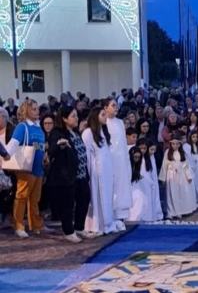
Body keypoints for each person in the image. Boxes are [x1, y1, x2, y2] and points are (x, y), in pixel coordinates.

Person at [47, 105, 91, 242]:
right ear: (65, 119)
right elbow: (52, 150)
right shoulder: (57, 132)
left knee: (84, 200)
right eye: (73, 116)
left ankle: (79, 227)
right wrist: (59, 145)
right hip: (67, 176)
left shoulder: (76, 132)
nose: (76, 118)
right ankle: (68, 231)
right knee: (68, 205)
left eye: (77, 115)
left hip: (82, 174)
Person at [5, 98, 47, 239]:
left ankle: (35, 224)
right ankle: (19, 225)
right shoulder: (22, 127)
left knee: (35, 199)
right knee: (22, 196)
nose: (37, 111)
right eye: (33, 109)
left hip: (38, 167)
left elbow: (37, 145)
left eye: (37, 108)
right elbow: (13, 144)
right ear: (26, 110)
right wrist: (5, 156)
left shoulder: (38, 126)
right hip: (26, 168)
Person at [82, 106, 116, 236]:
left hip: (106, 169)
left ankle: (106, 221)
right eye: (103, 114)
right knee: (96, 197)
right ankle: (96, 224)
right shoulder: (88, 133)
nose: (105, 117)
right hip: (96, 171)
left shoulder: (103, 132)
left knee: (106, 196)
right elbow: (87, 154)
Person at [105, 97, 132, 229]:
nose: (116, 108)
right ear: (105, 108)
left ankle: (120, 215)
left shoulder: (120, 123)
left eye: (116, 105)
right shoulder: (103, 123)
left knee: (121, 186)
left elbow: (122, 143)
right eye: (112, 105)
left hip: (121, 160)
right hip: (109, 160)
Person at [159, 135, 197, 220]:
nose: (175, 146)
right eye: (173, 144)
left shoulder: (182, 153)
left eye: (177, 144)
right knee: (171, 194)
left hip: (181, 176)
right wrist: (163, 178)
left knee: (180, 193)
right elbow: (164, 165)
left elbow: (185, 165)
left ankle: (179, 211)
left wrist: (188, 175)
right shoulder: (167, 152)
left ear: (180, 144)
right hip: (171, 176)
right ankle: (170, 212)